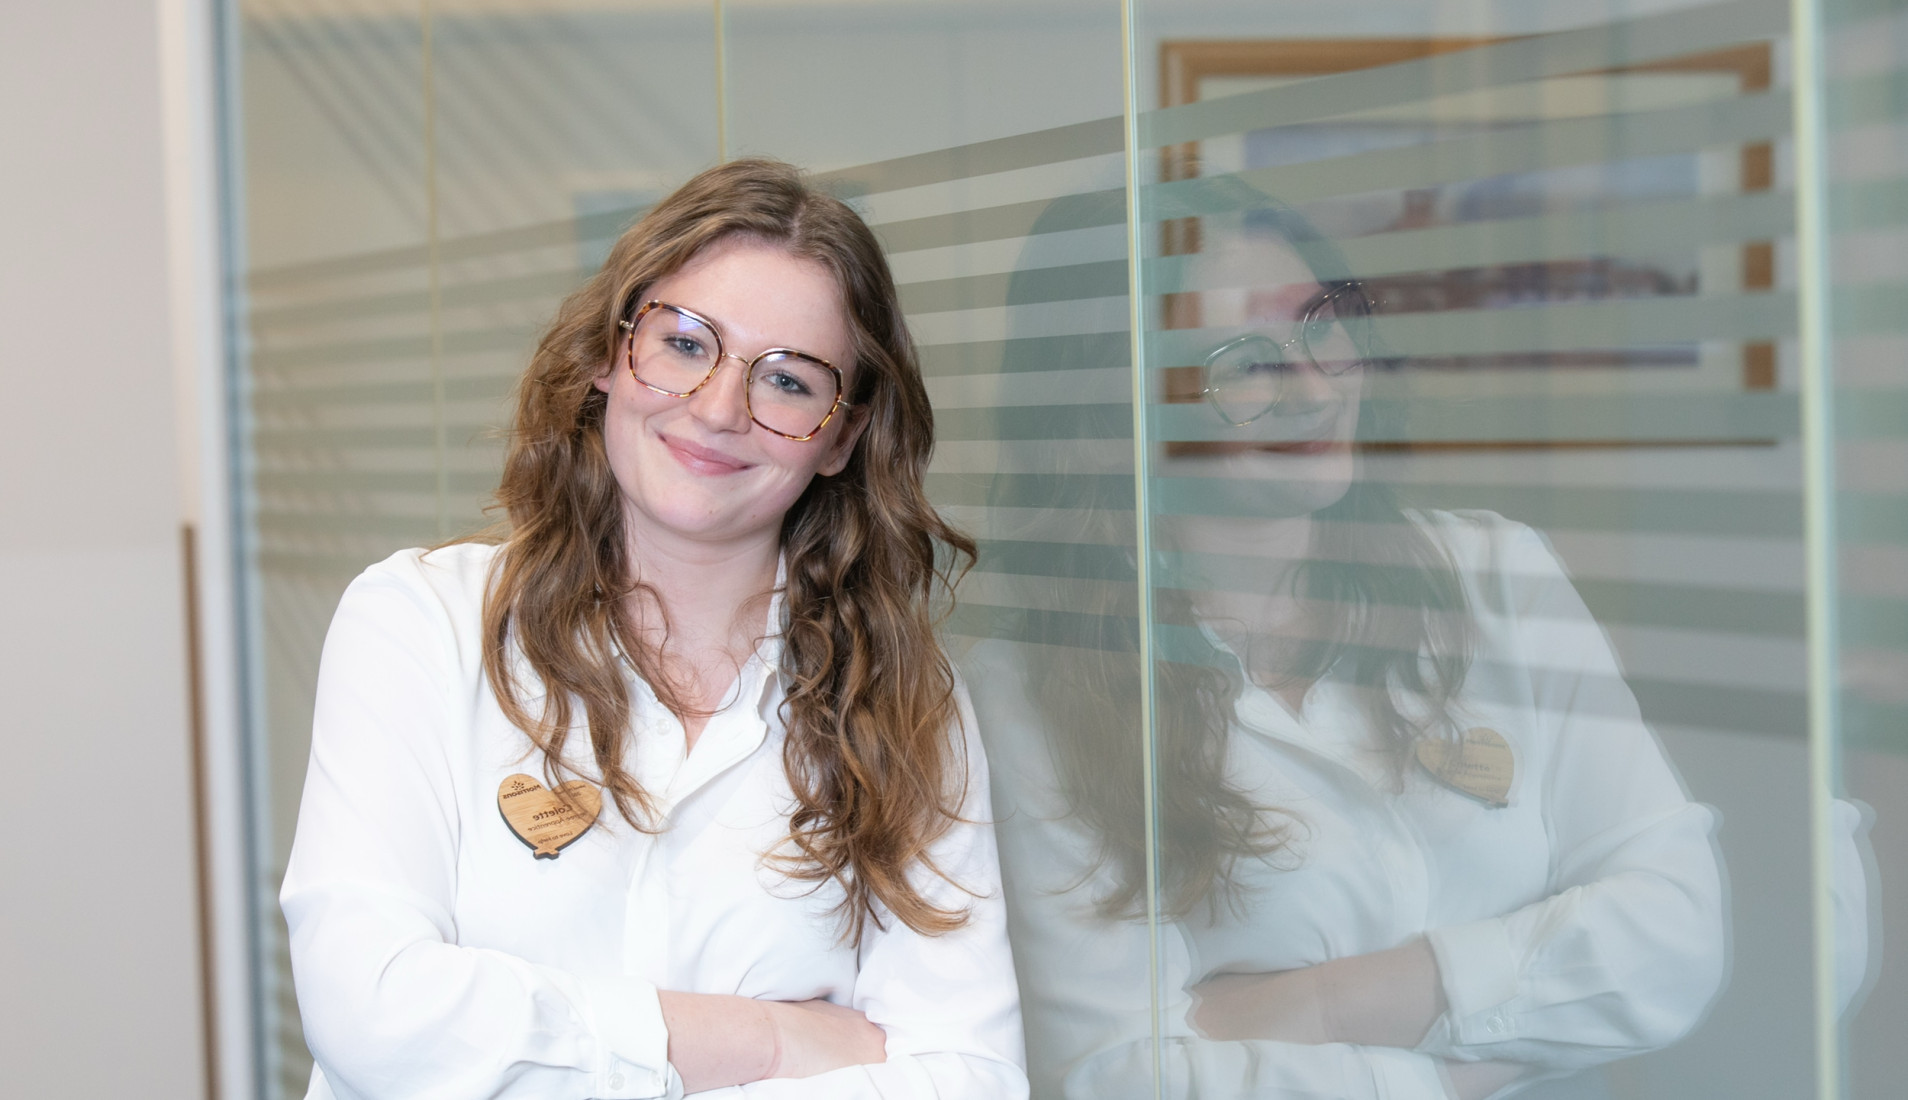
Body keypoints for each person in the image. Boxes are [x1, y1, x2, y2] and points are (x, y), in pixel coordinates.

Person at [280, 158, 1028, 1100]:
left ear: (842, 436)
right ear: (609, 353)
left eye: (788, 381)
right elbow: (374, 1014)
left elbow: (971, 1078)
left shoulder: (905, 701)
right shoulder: (421, 623)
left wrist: (524, 1044)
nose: (719, 409)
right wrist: (768, 1043)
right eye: (684, 344)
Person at [962, 189, 1728, 1099]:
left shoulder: (1494, 575)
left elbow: (1677, 934)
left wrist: (1299, 1011)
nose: (1316, 387)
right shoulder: (1025, 696)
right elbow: (1116, 1075)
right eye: (1243, 362)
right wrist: (1477, 1068)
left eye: (1323, 324)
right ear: (1109, 414)